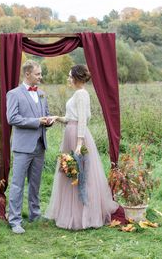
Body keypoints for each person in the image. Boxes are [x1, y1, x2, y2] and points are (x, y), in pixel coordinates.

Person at [46, 64, 119, 230]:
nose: (68, 79)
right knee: (72, 173)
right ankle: (72, 212)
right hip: (71, 132)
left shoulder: (81, 94)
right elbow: (72, 118)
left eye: (70, 76)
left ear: (77, 78)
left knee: (80, 174)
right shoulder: (78, 94)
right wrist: (57, 117)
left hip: (77, 135)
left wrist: (79, 144)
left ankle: (83, 215)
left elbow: (82, 121)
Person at [6, 60, 53, 234]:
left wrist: (48, 121)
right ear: (27, 74)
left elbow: (45, 115)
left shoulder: (42, 94)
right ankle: (15, 220)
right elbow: (12, 118)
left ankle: (35, 214)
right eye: (38, 74)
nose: (41, 77)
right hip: (22, 147)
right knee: (17, 184)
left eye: (40, 74)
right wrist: (36, 122)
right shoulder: (14, 94)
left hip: (40, 145)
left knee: (35, 183)